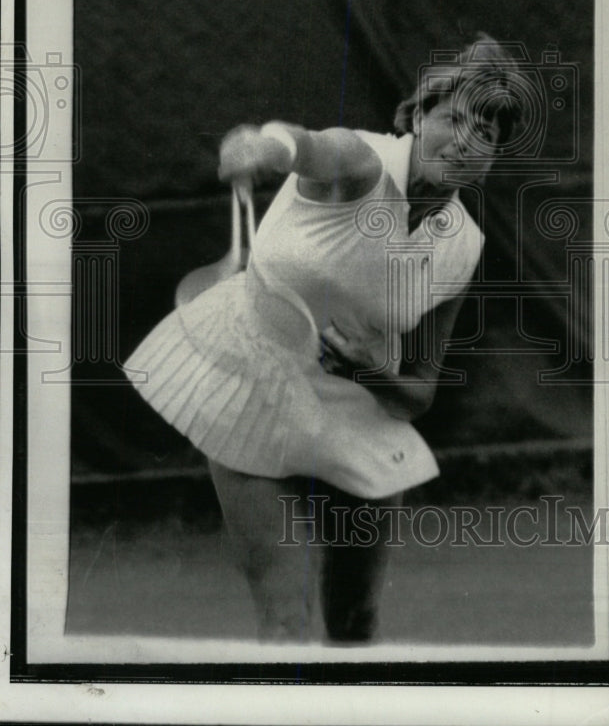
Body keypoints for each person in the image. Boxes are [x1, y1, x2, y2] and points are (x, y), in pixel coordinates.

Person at [124, 35, 526, 644]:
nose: (467, 140)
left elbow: (417, 395)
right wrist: (262, 144)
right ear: (418, 117)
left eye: (488, 135)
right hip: (250, 382)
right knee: (286, 628)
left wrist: (365, 370)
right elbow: (305, 146)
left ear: (496, 158)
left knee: (356, 627)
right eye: (453, 119)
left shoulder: (463, 244)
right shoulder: (359, 160)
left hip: (355, 410)